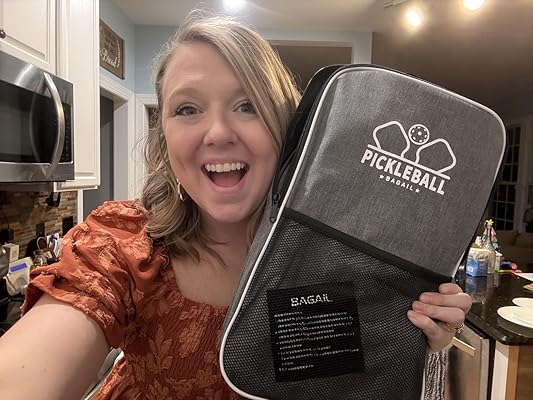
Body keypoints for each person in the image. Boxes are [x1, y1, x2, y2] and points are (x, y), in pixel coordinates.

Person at [0, 13, 471, 400]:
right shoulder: (123, 243)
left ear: (285, 127)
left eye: (248, 106)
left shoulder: (334, 251)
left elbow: (341, 375)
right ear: (164, 136)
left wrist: (412, 334)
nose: (219, 133)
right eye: (187, 109)